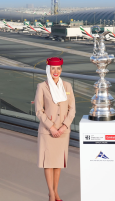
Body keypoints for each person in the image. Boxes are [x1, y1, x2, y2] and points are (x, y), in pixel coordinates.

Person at [34, 57, 76, 201]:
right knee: (49, 163)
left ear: (61, 70)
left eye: (58, 68)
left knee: (58, 163)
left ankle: (56, 191)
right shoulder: (42, 87)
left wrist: (64, 126)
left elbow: (72, 110)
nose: (56, 71)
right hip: (48, 131)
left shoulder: (67, 86)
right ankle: (51, 193)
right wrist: (51, 127)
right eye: (53, 68)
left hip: (63, 131)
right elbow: (39, 110)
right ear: (48, 70)